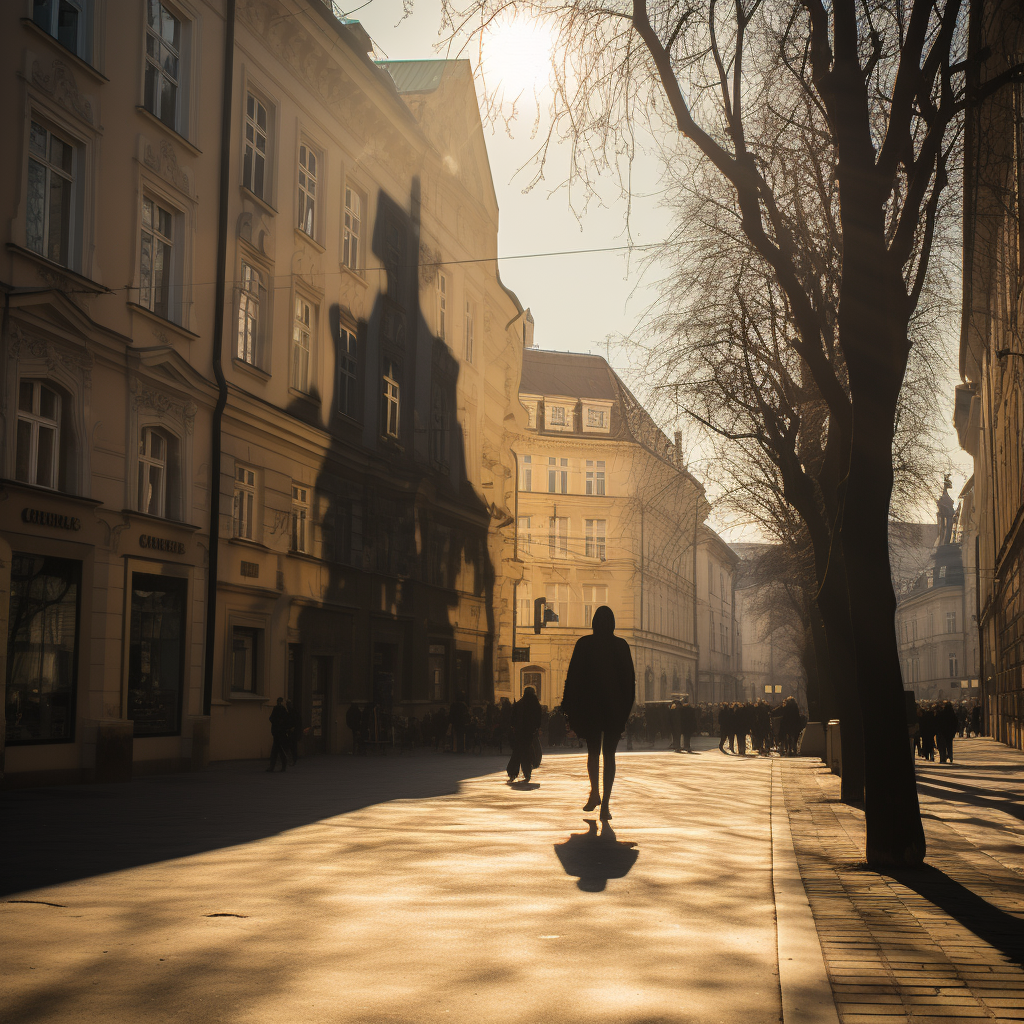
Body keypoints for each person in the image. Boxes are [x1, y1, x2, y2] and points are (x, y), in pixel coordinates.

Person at [561, 606, 636, 820]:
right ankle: (606, 805)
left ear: (593, 622)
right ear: (613, 623)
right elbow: (629, 682)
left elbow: (572, 677)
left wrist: (567, 705)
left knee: (593, 752)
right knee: (609, 756)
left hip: (590, 708)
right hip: (613, 709)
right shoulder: (621, 646)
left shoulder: (584, 644)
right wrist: (625, 710)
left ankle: (594, 793)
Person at [507, 686, 543, 783]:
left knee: (517, 751)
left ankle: (512, 772)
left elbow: (512, 719)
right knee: (526, 752)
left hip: (519, 732)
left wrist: (514, 728)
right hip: (529, 732)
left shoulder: (519, 704)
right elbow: (538, 718)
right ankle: (527, 772)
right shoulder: (535, 705)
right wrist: (536, 728)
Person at [266, 697, 289, 772]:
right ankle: (274, 766)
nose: (278, 703)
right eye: (278, 701)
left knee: (279, 750)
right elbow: (271, 718)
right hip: (277, 733)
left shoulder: (282, 710)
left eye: (280, 702)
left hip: (280, 733)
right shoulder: (277, 709)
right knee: (277, 750)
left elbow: (285, 721)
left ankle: (281, 766)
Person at [285, 700, 301, 765]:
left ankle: (293, 759)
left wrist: (293, 728)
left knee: (292, 746)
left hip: (292, 732)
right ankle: (292, 759)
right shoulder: (292, 712)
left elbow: (296, 722)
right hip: (291, 731)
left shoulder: (292, 712)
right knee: (292, 746)